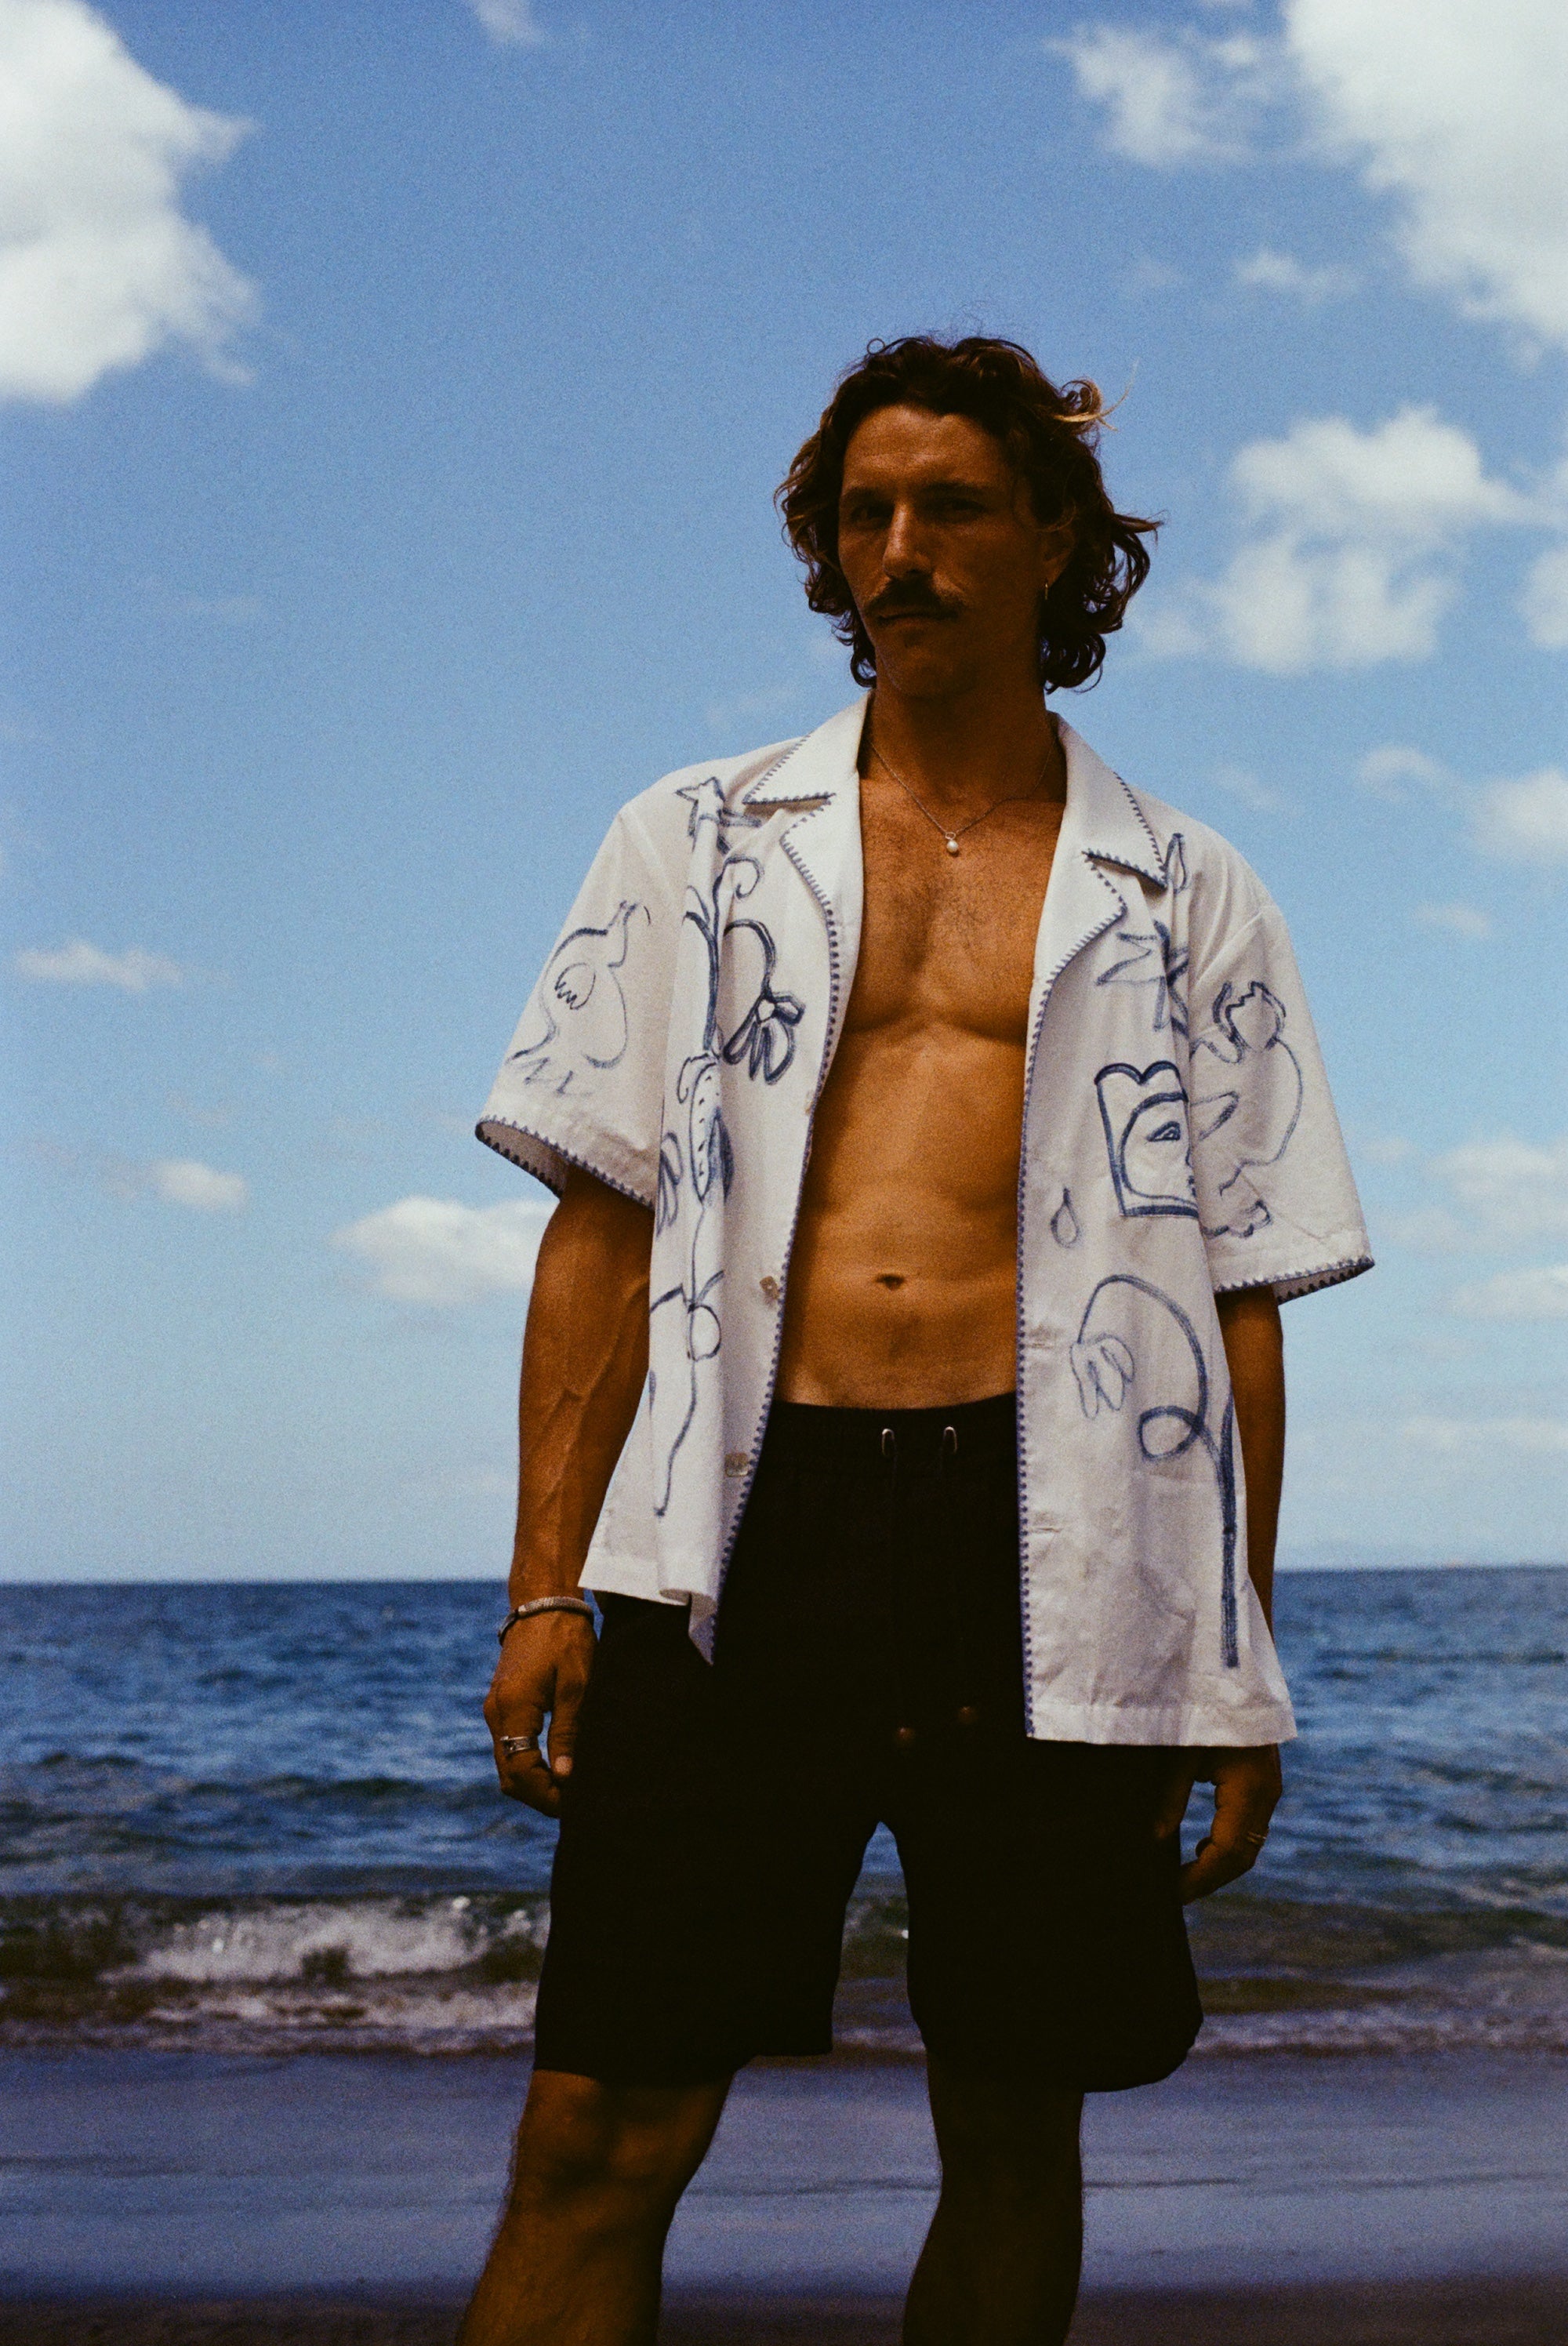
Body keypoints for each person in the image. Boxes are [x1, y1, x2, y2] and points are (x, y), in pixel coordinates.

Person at [459, 335, 1371, 2346]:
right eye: (863, 513)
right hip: (734, 1537)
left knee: (1014, 2128)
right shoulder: (688, 840)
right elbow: (596, 1226)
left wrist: (1231, 1652)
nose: (900, 550)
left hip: (1044, 1555)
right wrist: (544, 1581)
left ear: (1056, 539)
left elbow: (1239, 1302)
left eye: (951, 506)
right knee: (595, 2127)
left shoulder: (1192, 892)